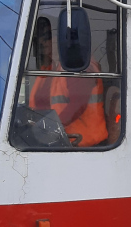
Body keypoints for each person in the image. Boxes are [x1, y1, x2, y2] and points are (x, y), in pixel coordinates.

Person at [28, 16, 109, 147]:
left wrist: (46, 128)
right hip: (58, 142)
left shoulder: (80, 66)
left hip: (84, 147)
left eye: (47, 36)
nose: (42, 42)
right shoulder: (48, 70)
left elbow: (76, 106)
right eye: (39, 38)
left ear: (61, 38)